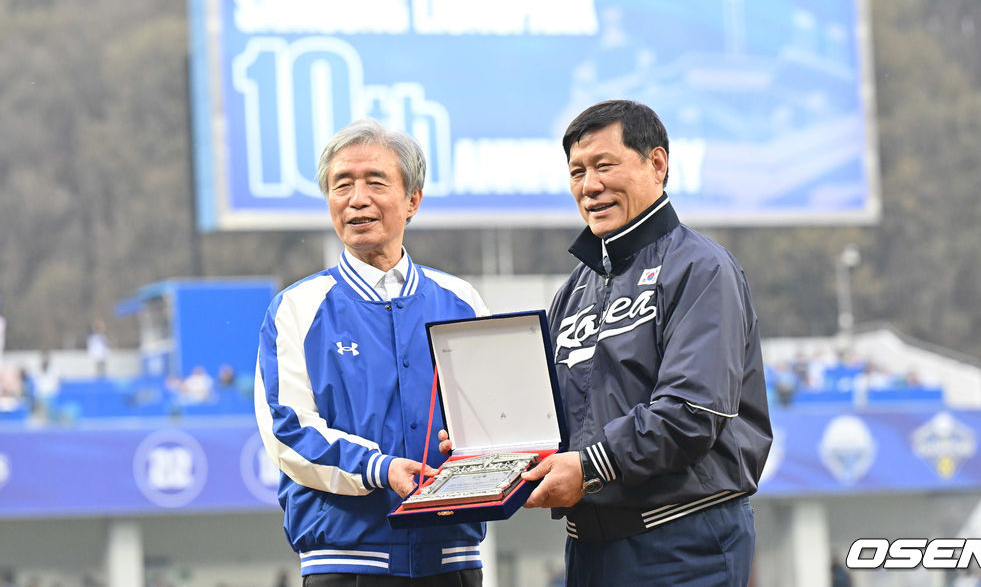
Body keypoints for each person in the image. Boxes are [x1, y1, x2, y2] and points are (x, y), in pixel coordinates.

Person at [520, 100, 773, 585]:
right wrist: (497, 449)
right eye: (577, 171)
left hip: (682, 543)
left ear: (657, 164)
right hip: (588, 548)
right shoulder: (572, 291)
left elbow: (691, 412)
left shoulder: (701, 268)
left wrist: (589, 466)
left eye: (604, 166)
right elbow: (550, 421)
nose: (589, 185)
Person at [255, 118, 489, 586]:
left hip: (454, 561)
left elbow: (496, 415)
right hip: (346, 563)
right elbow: (287, 431)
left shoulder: (461, 300)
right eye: (342, 185)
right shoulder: (297, 308)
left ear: (413, 200)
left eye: (375, 183)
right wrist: (378, 469)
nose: (356, 198)